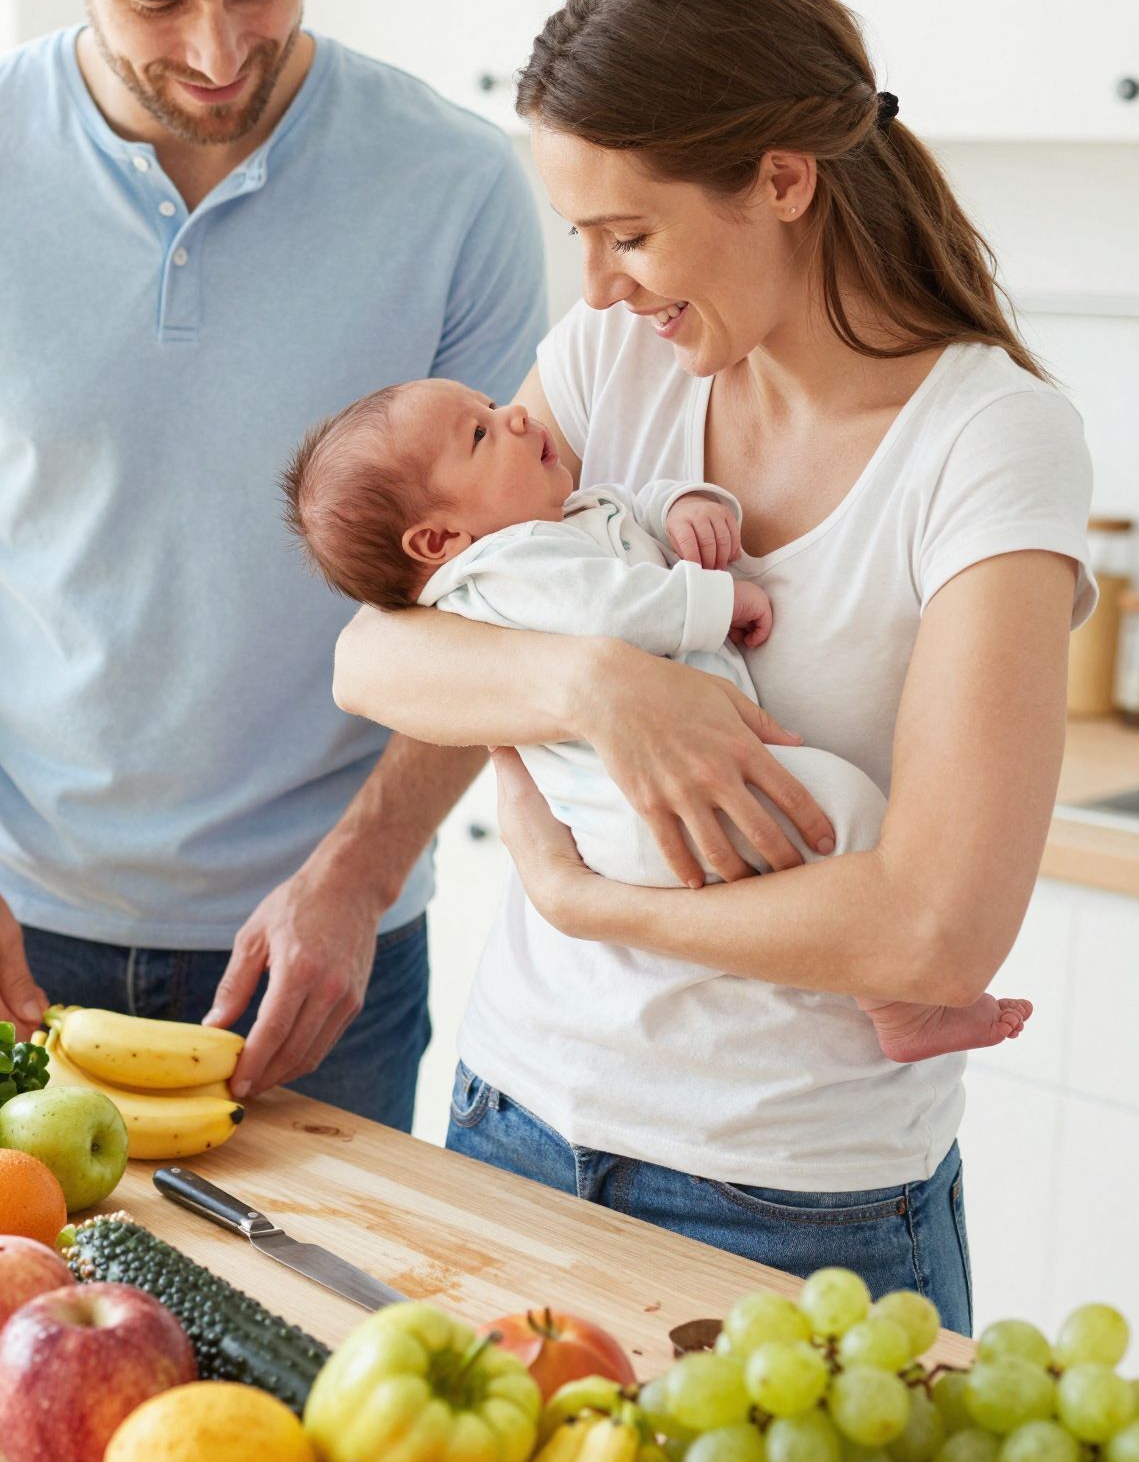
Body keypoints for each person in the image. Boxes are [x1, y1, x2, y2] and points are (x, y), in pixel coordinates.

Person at [331, 0, 1096, 1331]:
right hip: (513, 1122)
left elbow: (937, 930)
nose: (603, 284)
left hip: (792, 1204)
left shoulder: (989, 445)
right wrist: (603, 684)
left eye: (629, 234)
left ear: (783, 181)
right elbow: (378, 651)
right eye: (582, 239)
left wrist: (590, 906)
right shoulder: (610, 361)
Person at [0, 0, 546, 1128]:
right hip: (22, 920)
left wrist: (357, 879)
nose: (218, 52)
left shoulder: (457, 186)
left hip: (320, 943)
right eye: (156, 3)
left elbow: (505, 590)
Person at [283, 373, 1032, 1066]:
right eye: (478, 435)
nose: (512, 414)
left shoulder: (559, 517)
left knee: (843, 834)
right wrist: (717, 602)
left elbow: (622, 513)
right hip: (639, 813)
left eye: (487, 405)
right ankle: (897, 1005)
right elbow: (608, 607)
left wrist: (683, 505)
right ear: (440, 542)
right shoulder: (501, 572)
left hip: (642, 835)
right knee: (848, 814)